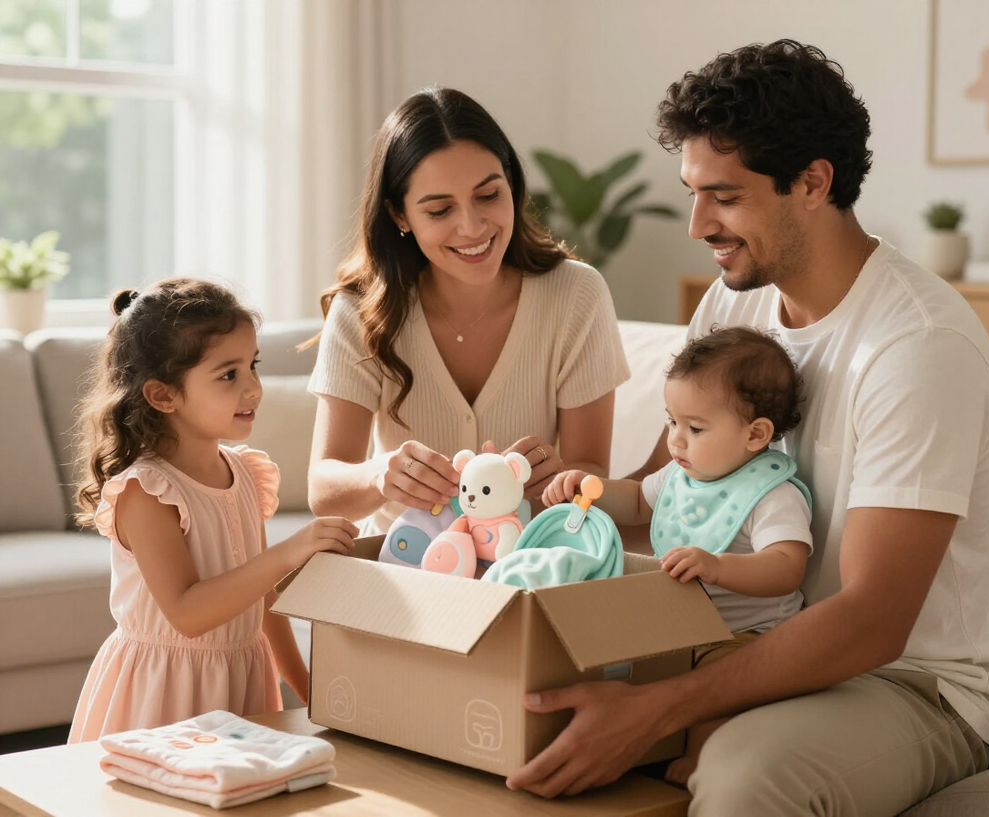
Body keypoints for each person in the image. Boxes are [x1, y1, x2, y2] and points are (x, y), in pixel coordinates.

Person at [507, 40, 989, 816]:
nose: (695, 224)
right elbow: (669, 489)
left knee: (747, 776)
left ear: (813, 182)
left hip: (910, 682)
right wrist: (565, 504)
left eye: (724, 195)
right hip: (735, 637)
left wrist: (663, 704)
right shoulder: (733, 302)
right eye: (691, 192)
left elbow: (874, 620)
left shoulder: (918, 346)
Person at [306, 87, 630, 536]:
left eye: (488, 195)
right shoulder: (360, 311)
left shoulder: (576, 295)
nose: (473, 227)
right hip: (401, 570)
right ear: (400, 216)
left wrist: (558, 480)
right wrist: (380, 475)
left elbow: (591, 469)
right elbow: (323, 490)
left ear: (512, 185)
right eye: (439, 209)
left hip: (524, 567)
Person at [68, 278, 358, 743]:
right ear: (163, 396)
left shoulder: (246, 475)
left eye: (253, 366)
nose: (254, 389)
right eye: (229, 375)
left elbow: (264, 599)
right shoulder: (147, 491)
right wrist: (288, 552)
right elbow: (186, 612)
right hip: (166, 695)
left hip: (241, 680)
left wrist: (309, 693)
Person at [542, 326, 813, 785]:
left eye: (695, 428)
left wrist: (719, 566)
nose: (676, 440)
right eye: (671, 421)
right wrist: (586, 489)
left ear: (756, 434)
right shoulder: (680, 475)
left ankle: (702, 756)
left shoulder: (771, 494)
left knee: (720, 684)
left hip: (745, 637)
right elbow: (636, 504)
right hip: (678, 626)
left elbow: (787, 567)